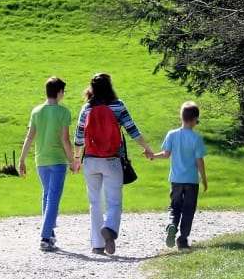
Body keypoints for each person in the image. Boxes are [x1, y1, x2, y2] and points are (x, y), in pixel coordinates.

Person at [73, 73, 153, 255]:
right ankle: (109, 229)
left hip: (91, 160)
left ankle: (97, 245)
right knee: (114, 201)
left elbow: (78, 136)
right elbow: (132, 130)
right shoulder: (118, 105)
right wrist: (147, 148)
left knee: (95, 203)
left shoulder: (87, 108)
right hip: (112, 159)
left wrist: (76, 158)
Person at [18, 76, 77, 252]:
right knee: (53, 198)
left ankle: (49, 233)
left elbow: (30, 137)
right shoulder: (63, 113)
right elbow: (65, 140)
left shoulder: (36, 111)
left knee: (46, 195)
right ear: (59, 92)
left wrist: (21, 159)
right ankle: (45, 236)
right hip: (57, 160)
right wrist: (72, 160)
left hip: (41, 160)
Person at [150, 101, 208, 250]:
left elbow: (165, 154)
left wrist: (153, 156)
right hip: (191, 181)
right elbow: (199, 161)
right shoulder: (196, 139)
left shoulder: (172, 134)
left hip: (176, 180)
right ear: (195, 119)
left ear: (181, 117)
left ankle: (172, 225)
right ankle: (182, 240)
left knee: (174, 207)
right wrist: (204, 179)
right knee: (188, 210)